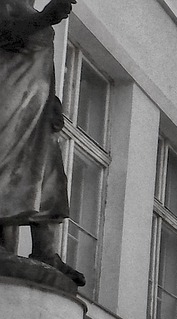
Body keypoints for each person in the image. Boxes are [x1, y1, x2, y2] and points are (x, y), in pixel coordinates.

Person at [0, 0, 86, 286]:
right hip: (8, 102)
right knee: (8, 171)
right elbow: (5, 34)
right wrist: (46, 18)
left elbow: (41, 62)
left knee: (49, 178)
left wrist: (54, 100)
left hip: (35, 107)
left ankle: (46, 252)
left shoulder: (28, 10)